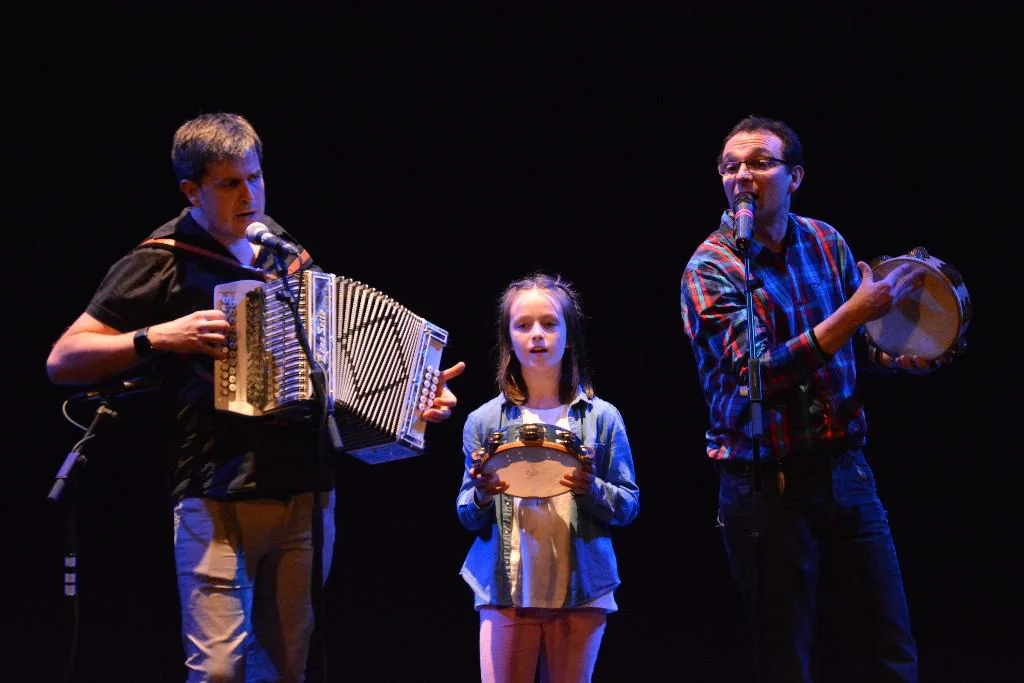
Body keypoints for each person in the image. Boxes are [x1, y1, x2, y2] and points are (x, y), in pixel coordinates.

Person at [45, 112, 465, 683]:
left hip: (305, 493)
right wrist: (159, 336)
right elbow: (64, 359)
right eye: (229, 184)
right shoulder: (162, 259)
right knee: (219, 671)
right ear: (191, 191)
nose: (249, 195)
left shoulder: (284, 255)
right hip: (216, 493)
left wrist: (414, 396)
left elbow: (340, 361)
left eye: (255, 177)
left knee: (288, 669)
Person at [679, 115, 957, 683]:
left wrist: (896, 359)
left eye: (760, 163)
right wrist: (854, 314)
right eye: (730, 166)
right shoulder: (710, 268)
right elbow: (757, 373)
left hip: (846, 472)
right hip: (765, 484)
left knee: (889, 646)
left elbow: (854, 348)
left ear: (795, 176)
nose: (742, 176)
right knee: (785, 659)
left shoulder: (826, 242)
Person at [456, 272, 639, 683]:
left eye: (549, 323)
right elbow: (467, 513)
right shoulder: (484, 421)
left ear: (569, 335)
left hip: (582, 590)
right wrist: (481, 495)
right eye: (523, 325)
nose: (537, 334)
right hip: (504, 591)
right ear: (509, 338)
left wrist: (592, 489)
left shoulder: (602, 417)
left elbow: (628, 505)